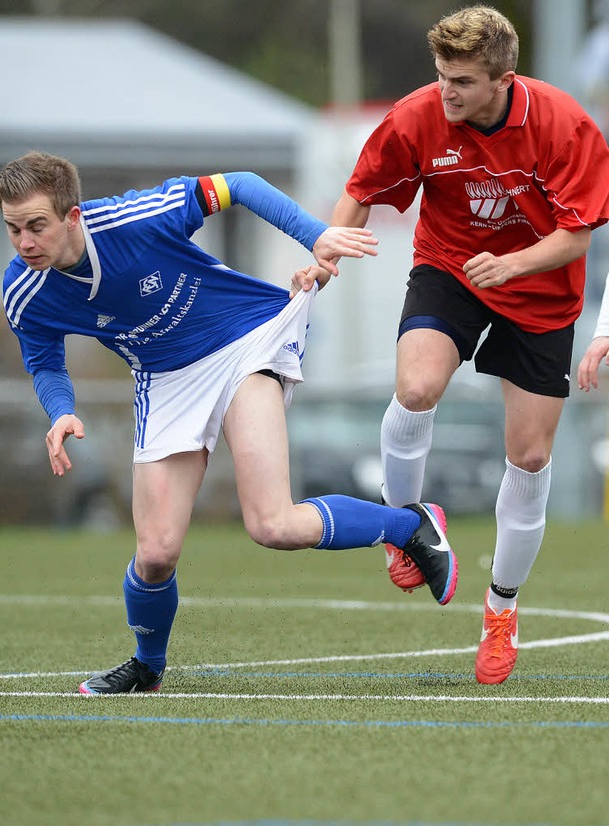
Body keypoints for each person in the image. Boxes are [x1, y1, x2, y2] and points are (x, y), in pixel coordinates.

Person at [0, 150, 458, 695]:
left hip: (243, 340)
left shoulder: (134, 218)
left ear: (72, 216)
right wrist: (62, 410)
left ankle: (410, 526)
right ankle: (147, 666)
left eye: (36, 226)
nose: (24, 241)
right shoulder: (25, 292)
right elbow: (45, 361)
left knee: (273, 524)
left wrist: (316, 236)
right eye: (12, 228)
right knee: (156, 553)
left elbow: (237, 183)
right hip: (166, 383)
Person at [294, 5, 609, 684]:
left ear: (503, 78)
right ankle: (403, 528)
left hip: (541, 291)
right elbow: (360, 191)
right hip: (451, 269)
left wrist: (515, 264)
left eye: (462, 80)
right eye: (441, 75)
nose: (446, 92)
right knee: (415, 388)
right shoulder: (417, 116)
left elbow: (577, 237)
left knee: (527, 454)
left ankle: (500, 611)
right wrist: (325, 258)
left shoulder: (564, 125)